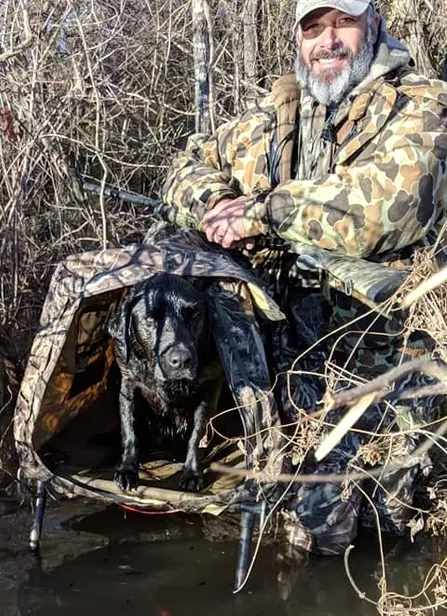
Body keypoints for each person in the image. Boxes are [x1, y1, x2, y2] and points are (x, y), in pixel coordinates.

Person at [161, 0, 447, 555]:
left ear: (375, 23)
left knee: (386, 526)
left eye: (343, 21)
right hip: (293, 368)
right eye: (313, 26)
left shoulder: (425, 106)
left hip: (391, 369)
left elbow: (386, 209)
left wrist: (262, 212)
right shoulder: (273, 120)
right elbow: (181, 171)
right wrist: (216, 203)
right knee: (300, 524)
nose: (329, 39)